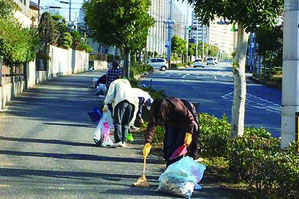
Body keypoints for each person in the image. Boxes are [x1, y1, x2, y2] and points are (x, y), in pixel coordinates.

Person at [142, 97, 199, 166]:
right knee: (170, 144)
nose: (159, 116)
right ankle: (169, 167)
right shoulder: (156, 109)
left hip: (185, 122)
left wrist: (189, 133)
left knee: (179, 145)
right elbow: (151, 125)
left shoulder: (177, 107)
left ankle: (176, 169)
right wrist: (148, 142)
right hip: (172, 122)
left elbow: (190, 120)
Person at [102, 78, 139, 147]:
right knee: (126, 123)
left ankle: (118, 141)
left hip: (121, 102)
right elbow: (135, 99)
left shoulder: (114, 82)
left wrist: (106, 104)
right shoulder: (128, 84)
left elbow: (110, 94)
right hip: (131, 104)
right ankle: (123, 141)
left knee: (117, 122)